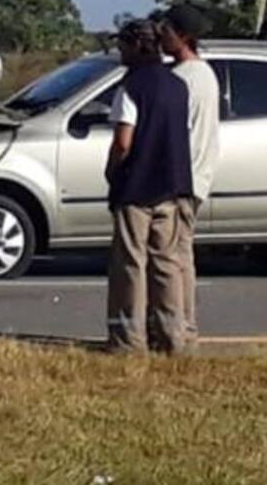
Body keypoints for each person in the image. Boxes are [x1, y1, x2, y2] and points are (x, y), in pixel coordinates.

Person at [104, 19, 193, 354]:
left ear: (136, 47)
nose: (120, 53)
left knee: (131, 264)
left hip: (136, 188)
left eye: (122, 46)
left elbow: (123, 142)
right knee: (167, 263)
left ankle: (129, 339)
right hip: (171, 186)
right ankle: (173, 338)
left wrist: (113, 172)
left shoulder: (130, 86)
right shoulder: (177, 85)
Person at [157, 4, 220, 349]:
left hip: (182, 179)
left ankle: (181, 330)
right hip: (194, 177)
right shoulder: (202, 75)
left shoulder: (185, 79)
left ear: (184, 37)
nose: (162, 38)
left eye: (167, 32)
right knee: (180, 256)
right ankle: (183, 326)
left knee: (174, 259)